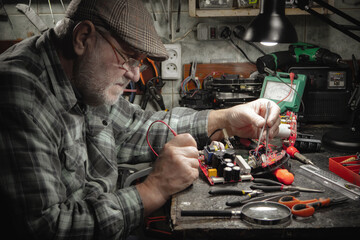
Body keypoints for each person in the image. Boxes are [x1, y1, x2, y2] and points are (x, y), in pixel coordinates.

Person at [0, 0, 280, 239]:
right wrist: (154, 189)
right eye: (129, 58)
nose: (135, 75)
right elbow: (48, 228)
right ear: (83, 38)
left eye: (139, 62)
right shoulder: (19, 96)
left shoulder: (86, 81)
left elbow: (137, 127)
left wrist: (226, 120)